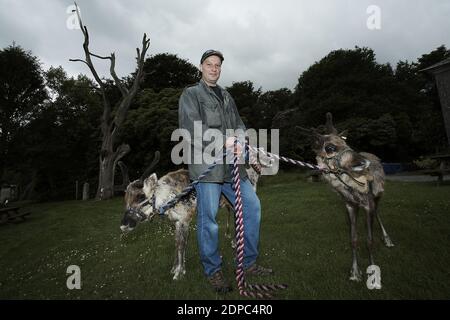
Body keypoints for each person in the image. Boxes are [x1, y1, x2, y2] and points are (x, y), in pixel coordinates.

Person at [178, 49, 273, 293]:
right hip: (206, 169)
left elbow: (239, 124)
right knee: (209, 221)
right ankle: (213, 270)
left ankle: (249, 263)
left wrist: (241, 140)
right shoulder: (191, 94)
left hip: (232, 168)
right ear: (201, 67)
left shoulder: (227, 96)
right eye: (209, 64)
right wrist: (223, 140)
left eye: (217, 65)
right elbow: (190, 128)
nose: (213, 68)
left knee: (252, 207)